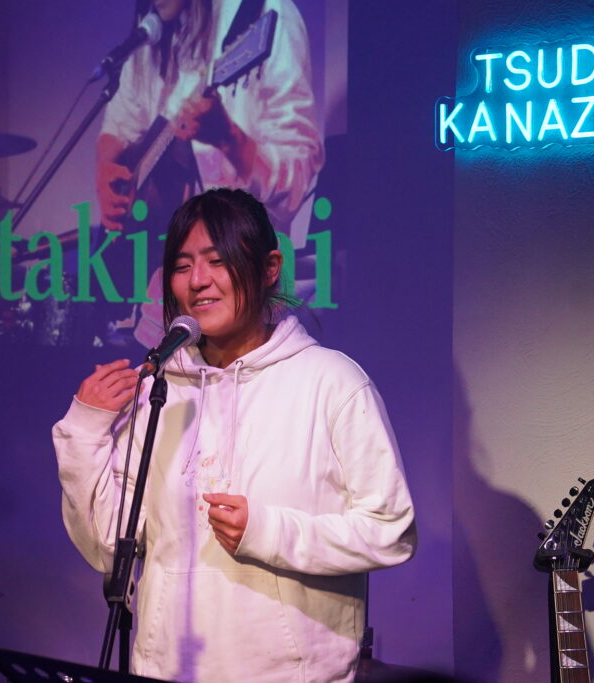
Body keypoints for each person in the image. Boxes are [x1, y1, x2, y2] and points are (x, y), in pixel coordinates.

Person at [53, 188, 416, 682]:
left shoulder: (332, 382)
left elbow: (391, 531)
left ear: (270, 268)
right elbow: (107, 548)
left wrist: (269, 531)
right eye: (182, 266)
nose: (197, 281)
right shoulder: (158, 391)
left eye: (218, 261)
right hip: (167, 669)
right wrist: (83, 432)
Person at [96, 0, 324, 234]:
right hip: (160, 247)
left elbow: (297, 181)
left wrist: (230, 139)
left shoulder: (266, 13)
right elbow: (118, 128)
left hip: (242, 247)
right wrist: (105, 170)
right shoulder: (151, 33)